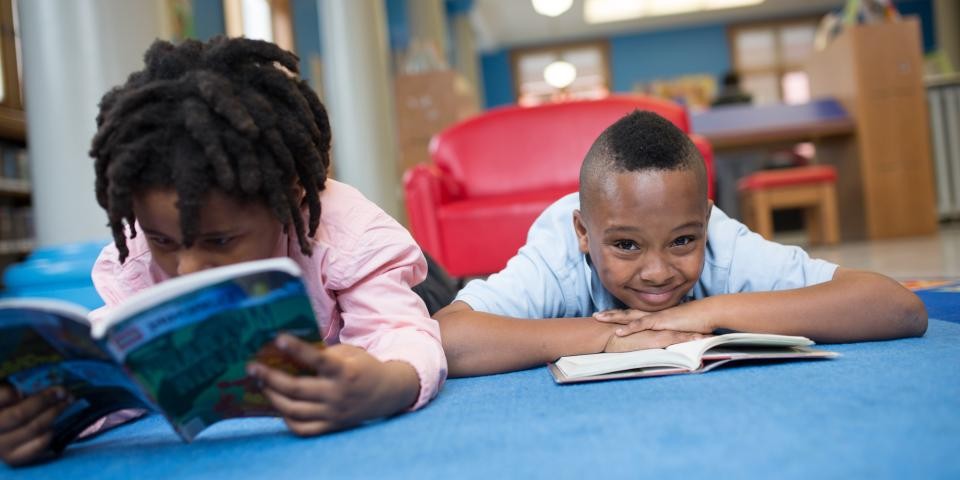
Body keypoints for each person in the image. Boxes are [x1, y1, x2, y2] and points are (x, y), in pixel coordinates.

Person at [0, 36, 448, 466]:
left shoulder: (352, 238)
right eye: (164, 242)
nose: (187, 268)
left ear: (290, 198)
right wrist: (46, 416)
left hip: (415, 285)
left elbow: (400, 333)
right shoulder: (142, 253)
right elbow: (126, 368)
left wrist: (389, 383)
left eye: (219, 241)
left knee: (443, 320)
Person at [436, 110, 927, 377]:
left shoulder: (724, 244)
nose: (657, 272)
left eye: (683, 241)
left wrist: (703, 313)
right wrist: (607, 335)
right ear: (584, 233)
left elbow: (897, 307)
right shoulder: (558, 254)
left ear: (706, 222)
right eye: (626, 245)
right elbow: (447, 337)